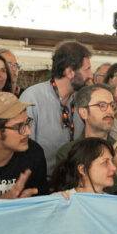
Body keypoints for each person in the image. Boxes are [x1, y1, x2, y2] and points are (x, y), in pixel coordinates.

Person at [20, 41, 92, 172]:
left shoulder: (81, 100)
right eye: (87, 69)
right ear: (69, 72)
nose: (91, 75)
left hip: (72, 180)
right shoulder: (32, 98)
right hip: (40, 179)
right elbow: (24, 149)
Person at [52, 84, 117, 191]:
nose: (110, 111)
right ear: (83, 113)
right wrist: (115, 174)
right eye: (102, 105)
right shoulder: (67, 153)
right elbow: (69, 196)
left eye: (112, 106)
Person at [50, 138, 117, 194]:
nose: (114, 168)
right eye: (105, 162)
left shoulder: (114, 202)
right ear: (82, 169)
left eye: (112, 161)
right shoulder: (60, 201)